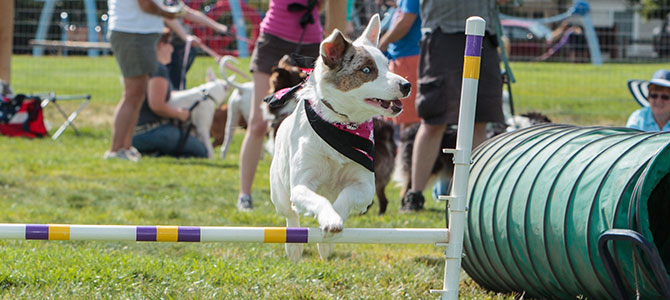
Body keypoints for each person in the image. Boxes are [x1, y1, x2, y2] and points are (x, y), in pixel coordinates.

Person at [237, 0, 347, 211]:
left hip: (310, 41)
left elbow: (327, 7)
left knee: (313, 124)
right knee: (258, 122)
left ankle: (308, 193)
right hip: (272, 39)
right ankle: (245, 195)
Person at [401, 0, 509, 211]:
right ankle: (414, 196)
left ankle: (475, 195)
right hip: (443, 35)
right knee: (433, 119)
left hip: (482, 37)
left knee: (480, 119)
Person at [105, 0, 180, 161]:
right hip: (133, 34)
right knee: (132, 95)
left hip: (138, 34)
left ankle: (125, 148)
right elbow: (146, 5)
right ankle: (115, 150)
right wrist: (169, 13)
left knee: (137, 95)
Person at [131, 29, 208, 158]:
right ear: (160, 46)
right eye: (170, 44)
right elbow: (157, 105)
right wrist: (180, 114)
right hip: (151, 131)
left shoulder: (142, 66)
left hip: (134, 133)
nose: (172, 49)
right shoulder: (158, 69)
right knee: (201, 151)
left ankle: (156, 152)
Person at [378, 0, 421, 132]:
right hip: (399, 58)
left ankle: (407, 152)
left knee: (410, 122)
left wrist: (381, 45)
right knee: (400, 119)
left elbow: (405, 22)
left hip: (410, 58)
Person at [164, 3, 229, 90]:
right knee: (171, 81)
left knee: (178, 80)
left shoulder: (174, 1)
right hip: (168, 47)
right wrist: (185, 36)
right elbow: (167, 15)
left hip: (182, 46)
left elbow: (188, 13)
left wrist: (217, 27)